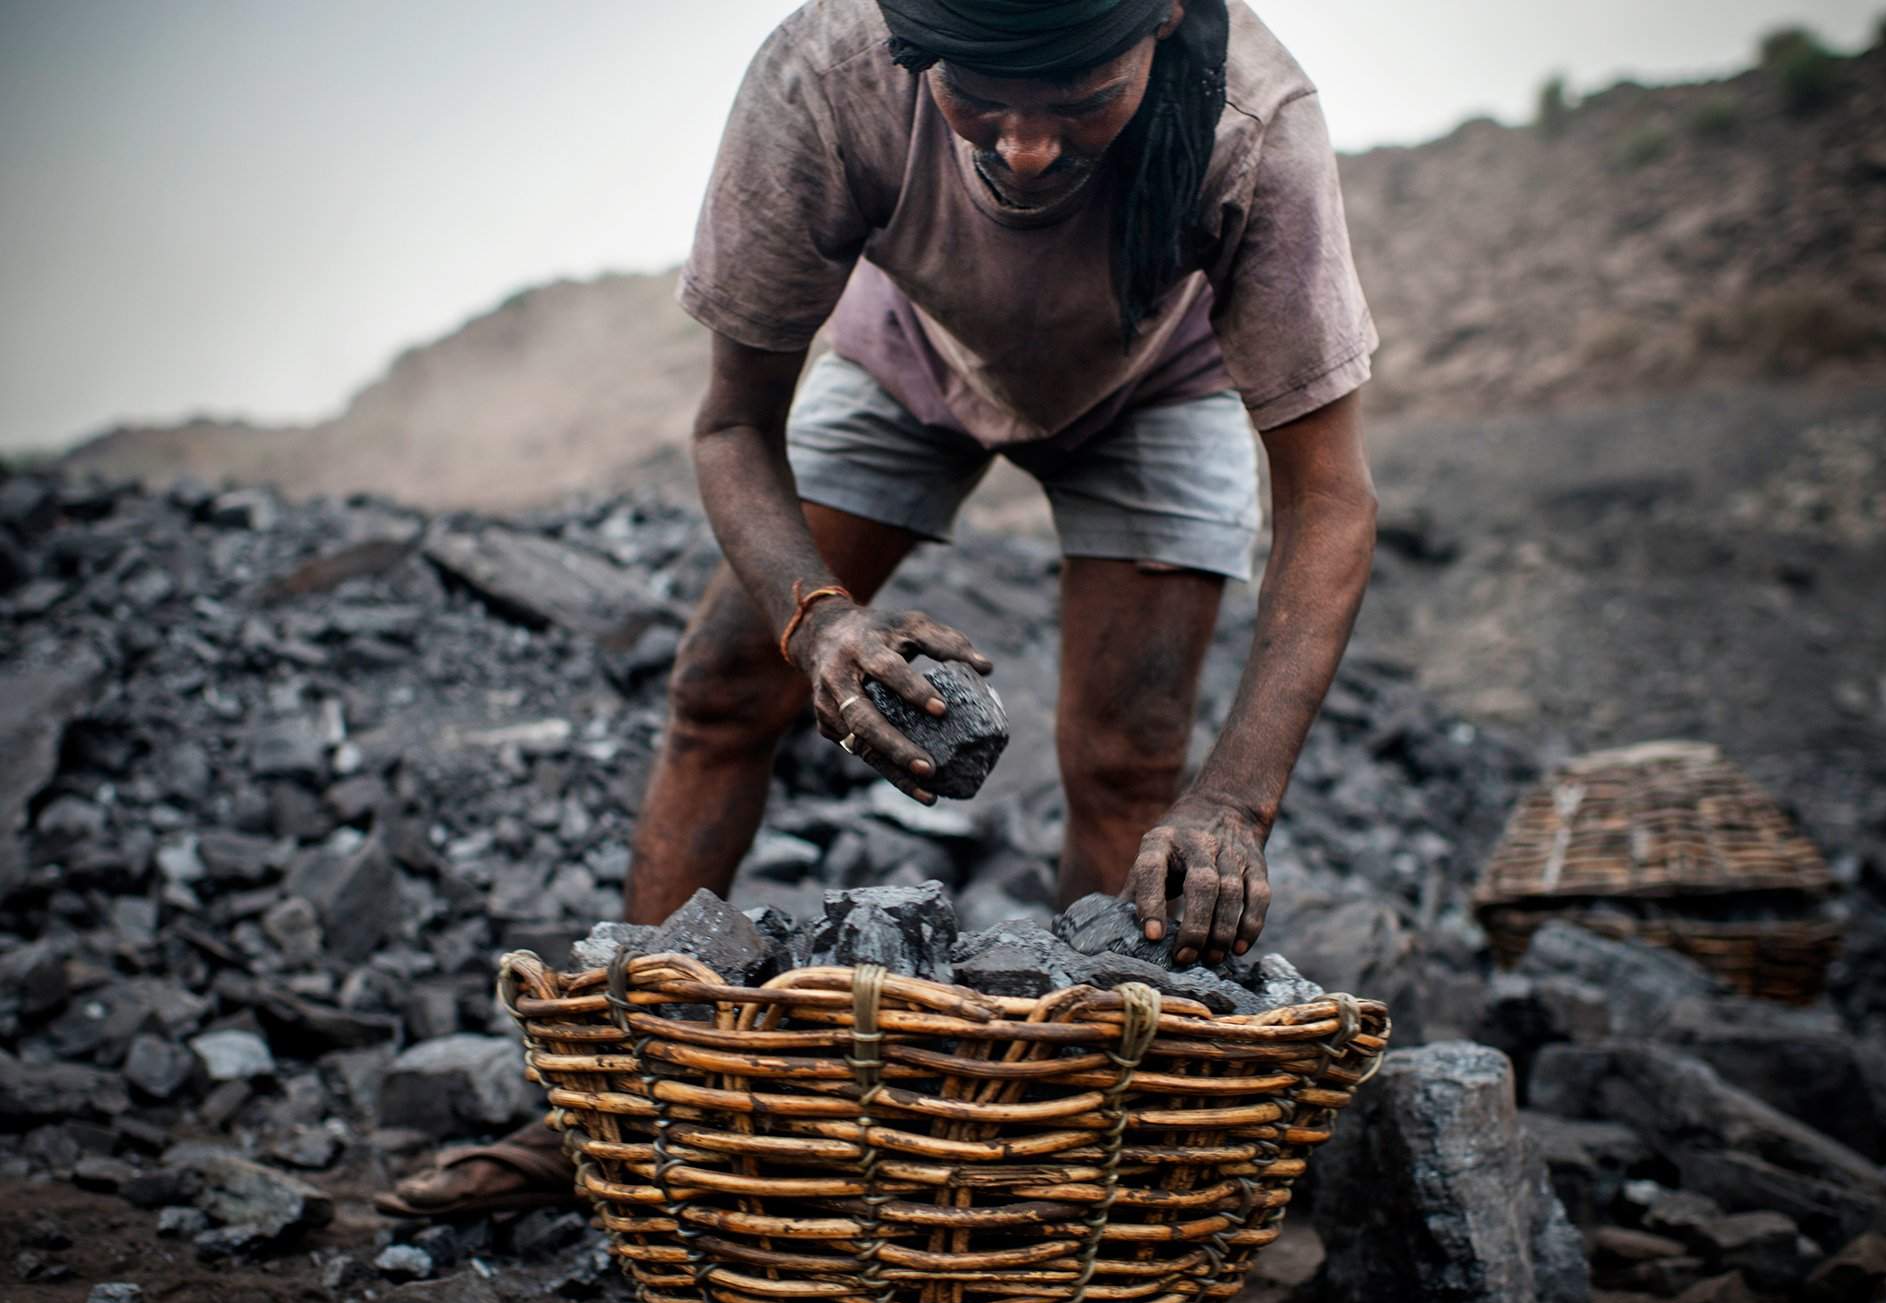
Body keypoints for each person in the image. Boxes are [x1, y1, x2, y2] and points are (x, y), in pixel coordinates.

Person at [376, 0, 1377, 1220]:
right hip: (908, 364)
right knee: (722, 689)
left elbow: (1326, 501)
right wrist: (821, 624)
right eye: (980, 103)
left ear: (1160, 27)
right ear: (916, 58)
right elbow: (730, 426)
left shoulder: (1252, 126)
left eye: (1075, 102)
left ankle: (1075, 1158)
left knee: (1129, 766)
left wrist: (1232, 800)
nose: (1021, 149)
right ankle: (616, 1112)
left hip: (1157, 388)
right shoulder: (824, 77)